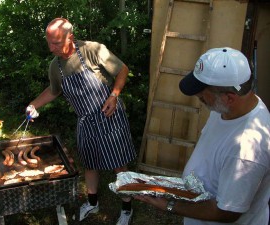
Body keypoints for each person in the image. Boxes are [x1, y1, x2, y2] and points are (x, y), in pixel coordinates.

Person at [134, 47, 270, 225]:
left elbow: (227, 212)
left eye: (202, 96)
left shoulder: (247, 149)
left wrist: (169, 205)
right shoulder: (226, 109)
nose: (198, 97)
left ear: (230, 97)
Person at [26, 18, 136, 225]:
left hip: (109, 115)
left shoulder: (92, 50)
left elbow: (122, 70)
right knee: (89, 162)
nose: (51, 48)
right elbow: (53, 91)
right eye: (49, 42)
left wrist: (114, 95)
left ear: (71, 37)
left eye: (56, 43)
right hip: (85, 120)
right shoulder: (55, 66)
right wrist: (33, 105)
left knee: (119, 164)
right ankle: (92, 202)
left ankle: (127, 207)